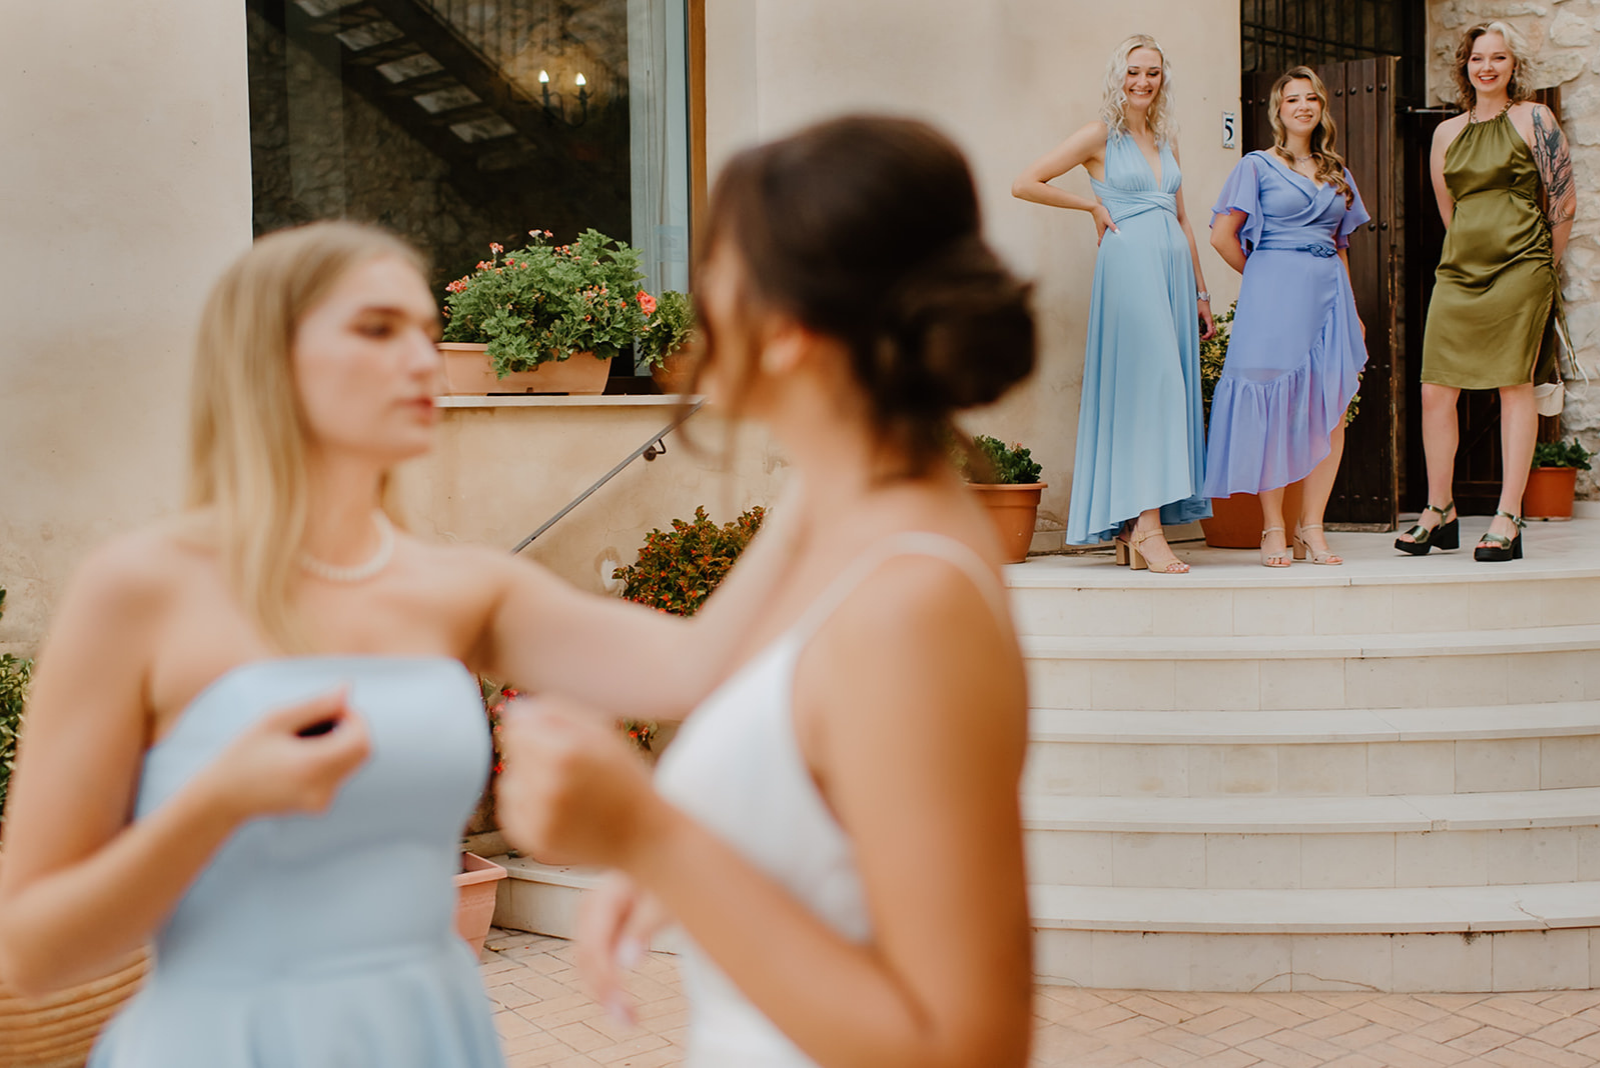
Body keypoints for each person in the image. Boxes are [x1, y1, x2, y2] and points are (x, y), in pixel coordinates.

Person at [0, 221, 800, 1067]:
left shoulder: (464, 588)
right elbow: (32, 950)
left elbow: (699, 666)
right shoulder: (139, 589)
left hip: (429, 1035)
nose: (423, 358)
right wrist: (214, 806)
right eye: (377, 330)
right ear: (266, 357)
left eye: (426, 331)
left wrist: (838, 452)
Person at [494, 117, 1036, 1068]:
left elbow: (966, 1043)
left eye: (719, 271)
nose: (697, 306)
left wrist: (648, 836)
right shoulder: (828, 507)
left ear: (789, 329)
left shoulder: (913, 602)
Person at [1012, 33, 1215, 574]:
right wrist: (1090, 207)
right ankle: (1148, 529)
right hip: (1129, 268)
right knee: (1156, 388)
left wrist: (1200, 292)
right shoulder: (1099, 133)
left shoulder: (1167, 139)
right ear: (1117, 76)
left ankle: (1131, 527)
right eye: (1133, 72)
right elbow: (1025, 182)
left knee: (1159, 391)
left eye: (1152, 72)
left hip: (1173, 275)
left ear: (1162, 78)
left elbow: (1183, 220)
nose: (1142, 82)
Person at [1398, 20, 1575, 562]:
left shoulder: (1535, 118)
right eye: (1478, 58)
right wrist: (1470, 253)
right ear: (1465, 66)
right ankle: (1440, 509)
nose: (1487, 67)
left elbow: (1563, 203)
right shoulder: (1446, 133)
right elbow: (1450, 209)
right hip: (1460, 272)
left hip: (1523, 268)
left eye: (1498, 58)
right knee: (1435, 389)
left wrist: (1544, 266)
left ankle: (1508, 515)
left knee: (1512, 386)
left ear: (1512, 66)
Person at [1206, 66, 1370, 567]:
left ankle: (1313, 526)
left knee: (1331, 409)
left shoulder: (1337, 171)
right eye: (1292, 99)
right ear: (1278, 110)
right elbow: (1221, 237)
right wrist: (1264, 277)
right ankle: (1274, 527)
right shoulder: (1255, 165)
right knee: (1274, 410)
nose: (1303, 106)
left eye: (1312, 99)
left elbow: (1341, 246)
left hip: (1329, 299)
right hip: (1273, 300)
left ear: (1322, 109)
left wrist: (1355, 312)